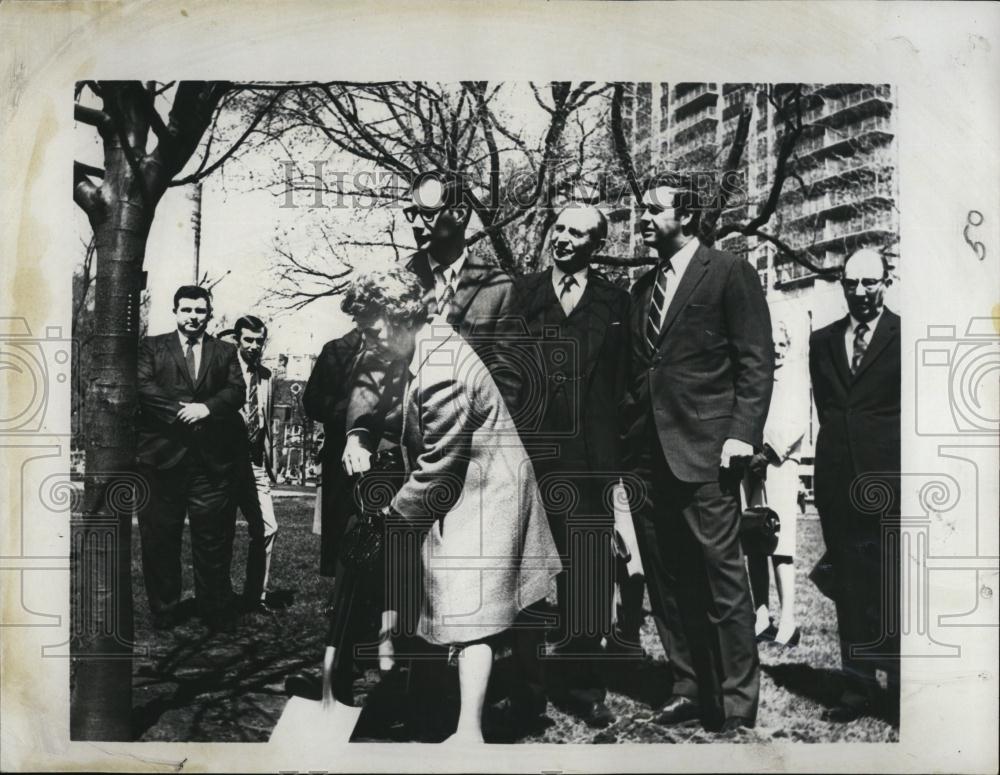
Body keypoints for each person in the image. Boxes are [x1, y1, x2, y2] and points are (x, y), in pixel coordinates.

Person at [362, 266, 562, 744]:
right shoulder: (430, 347)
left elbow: (438, 467)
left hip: (490, 497)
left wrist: (391, 518)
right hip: (473, 492)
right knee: (454, 608)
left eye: (371, 330)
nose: (369, 342)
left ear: (397, 317)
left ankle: (469, 732)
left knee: (474, 617)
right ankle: (447, 715)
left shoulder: (441, 368)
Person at [621, 175, 774, 732]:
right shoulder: (642, 289)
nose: (641, 218)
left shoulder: (730, 272)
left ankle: (736, 702)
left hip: (707, 453)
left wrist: (742, 433)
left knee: (722, 577)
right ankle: (687, 684)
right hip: (645, 457)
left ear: (684, 216)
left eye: (652, 209)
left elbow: (756, 360)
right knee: (665, 579)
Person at [505, 204, 630, 728]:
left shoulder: (615, 302)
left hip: (588, 468)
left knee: (588, 584)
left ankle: (585, 686)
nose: (562, 238)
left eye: (577, 232)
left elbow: (623, 388)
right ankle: (525, 693)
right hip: (528, 461)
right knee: (527, 582)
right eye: (558, 227)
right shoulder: (521, 294)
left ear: (595, 244)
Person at [341, 171, 518, 479]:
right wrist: (357, 435)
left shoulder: (499, 288)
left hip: (469, 457)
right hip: (394, 454)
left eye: (427, 214)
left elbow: (507, 384)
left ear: (459, 213)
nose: (415, 223)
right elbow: (369, 364)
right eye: (412, 213)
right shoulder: (395, 279)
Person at [809, 248, 900, 722]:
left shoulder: (904, 335)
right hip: (837, 486)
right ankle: (858, 686)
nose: (861, 293)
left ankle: (903, 686)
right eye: (852, 283)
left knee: (894, 587)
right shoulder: (822, 341)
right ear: (841, 284)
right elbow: (829, 409)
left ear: (887, 280)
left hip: (890, 488)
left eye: (870, 282)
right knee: (850, 587)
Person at [136, 285, 245, 631]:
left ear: (209, 314)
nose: (194, 317)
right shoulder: (152, 346)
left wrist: (207, 409)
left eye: (200, 311)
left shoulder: (225, 350)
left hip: (210, 463)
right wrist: (180, 412)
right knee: (160, 538)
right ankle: (165, 610)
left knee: (213, 539)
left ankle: (214, 609)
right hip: (161, 459)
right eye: (187, 310)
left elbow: (236, 391)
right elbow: (143, 386)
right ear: (175, 312)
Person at [744, 317, 809, 647]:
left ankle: (788, 620)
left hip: (780, 466)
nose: (777, 352)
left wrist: (767, 454)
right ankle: (760, 615)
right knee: (755, 539)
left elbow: (797, 422)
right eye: (771, 347)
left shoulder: (796, 377)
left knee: (780, 544)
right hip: (753, 469)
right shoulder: (757, 377)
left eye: (782, 345)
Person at [302, 311, 375, 577]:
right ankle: (340, 598)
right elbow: (311, 401)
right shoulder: (335, 351)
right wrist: (353, 411)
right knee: (341, 526)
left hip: (381, 453)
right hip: (339, 453)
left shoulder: (394, 350)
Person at [232, 315, 279, 614]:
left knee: (268, 527)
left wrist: (271, 459)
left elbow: (265, 418)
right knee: (218, 531)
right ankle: (217, 598)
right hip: (225, 462)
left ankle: (256, 597)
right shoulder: (224, 369)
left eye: (258, 340)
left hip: (255, 462)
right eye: (248, 340)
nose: (253, 346)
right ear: (238, 340)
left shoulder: (267, 376)